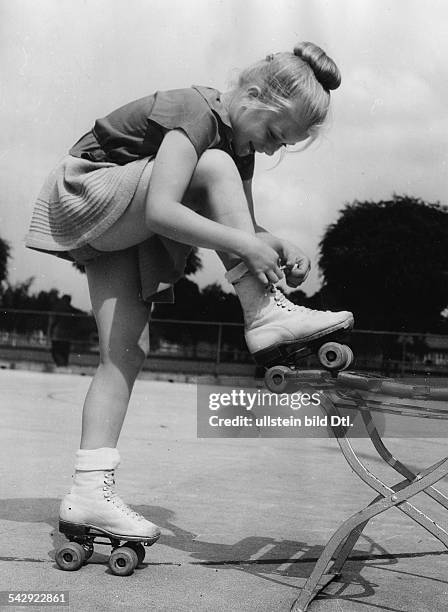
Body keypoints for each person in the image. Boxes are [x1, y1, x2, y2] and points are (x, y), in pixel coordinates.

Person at [25, 42, 353, 545]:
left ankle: (89, 492)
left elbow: (238, 227)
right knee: (216, 165)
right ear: (252, 94)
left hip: (121, 213)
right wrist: (247, 244)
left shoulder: (236, 148)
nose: (272, 149)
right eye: (272, 133)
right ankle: (263, 314)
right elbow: (162, 210)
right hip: (88, 190)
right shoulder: (197, 112)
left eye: (283, 144)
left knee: (127, 353)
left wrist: (273, 242)